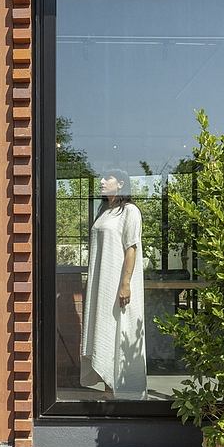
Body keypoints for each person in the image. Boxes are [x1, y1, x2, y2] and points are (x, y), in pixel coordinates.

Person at [79, 169, 148, 399]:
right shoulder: (105, 212)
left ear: (120, 183)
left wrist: (125, 283)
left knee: (119, 327)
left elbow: (132, 248)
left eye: (106, 178)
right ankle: (109, 388)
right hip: (102, 282)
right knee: (105, 327)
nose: (101, 181)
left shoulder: (130, 211)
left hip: (118, 281)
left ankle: (125, 390)